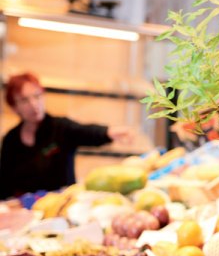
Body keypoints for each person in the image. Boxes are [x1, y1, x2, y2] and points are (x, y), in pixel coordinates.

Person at [0, 72, 132, 198]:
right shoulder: (11, 140)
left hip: (62, 204)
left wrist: (109, 132)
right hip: (25, 210)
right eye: (24, 100)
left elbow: (86, 132)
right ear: (14, 107)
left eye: (37, 96)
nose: (34, 104)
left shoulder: (61, 127)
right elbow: (4, 182)